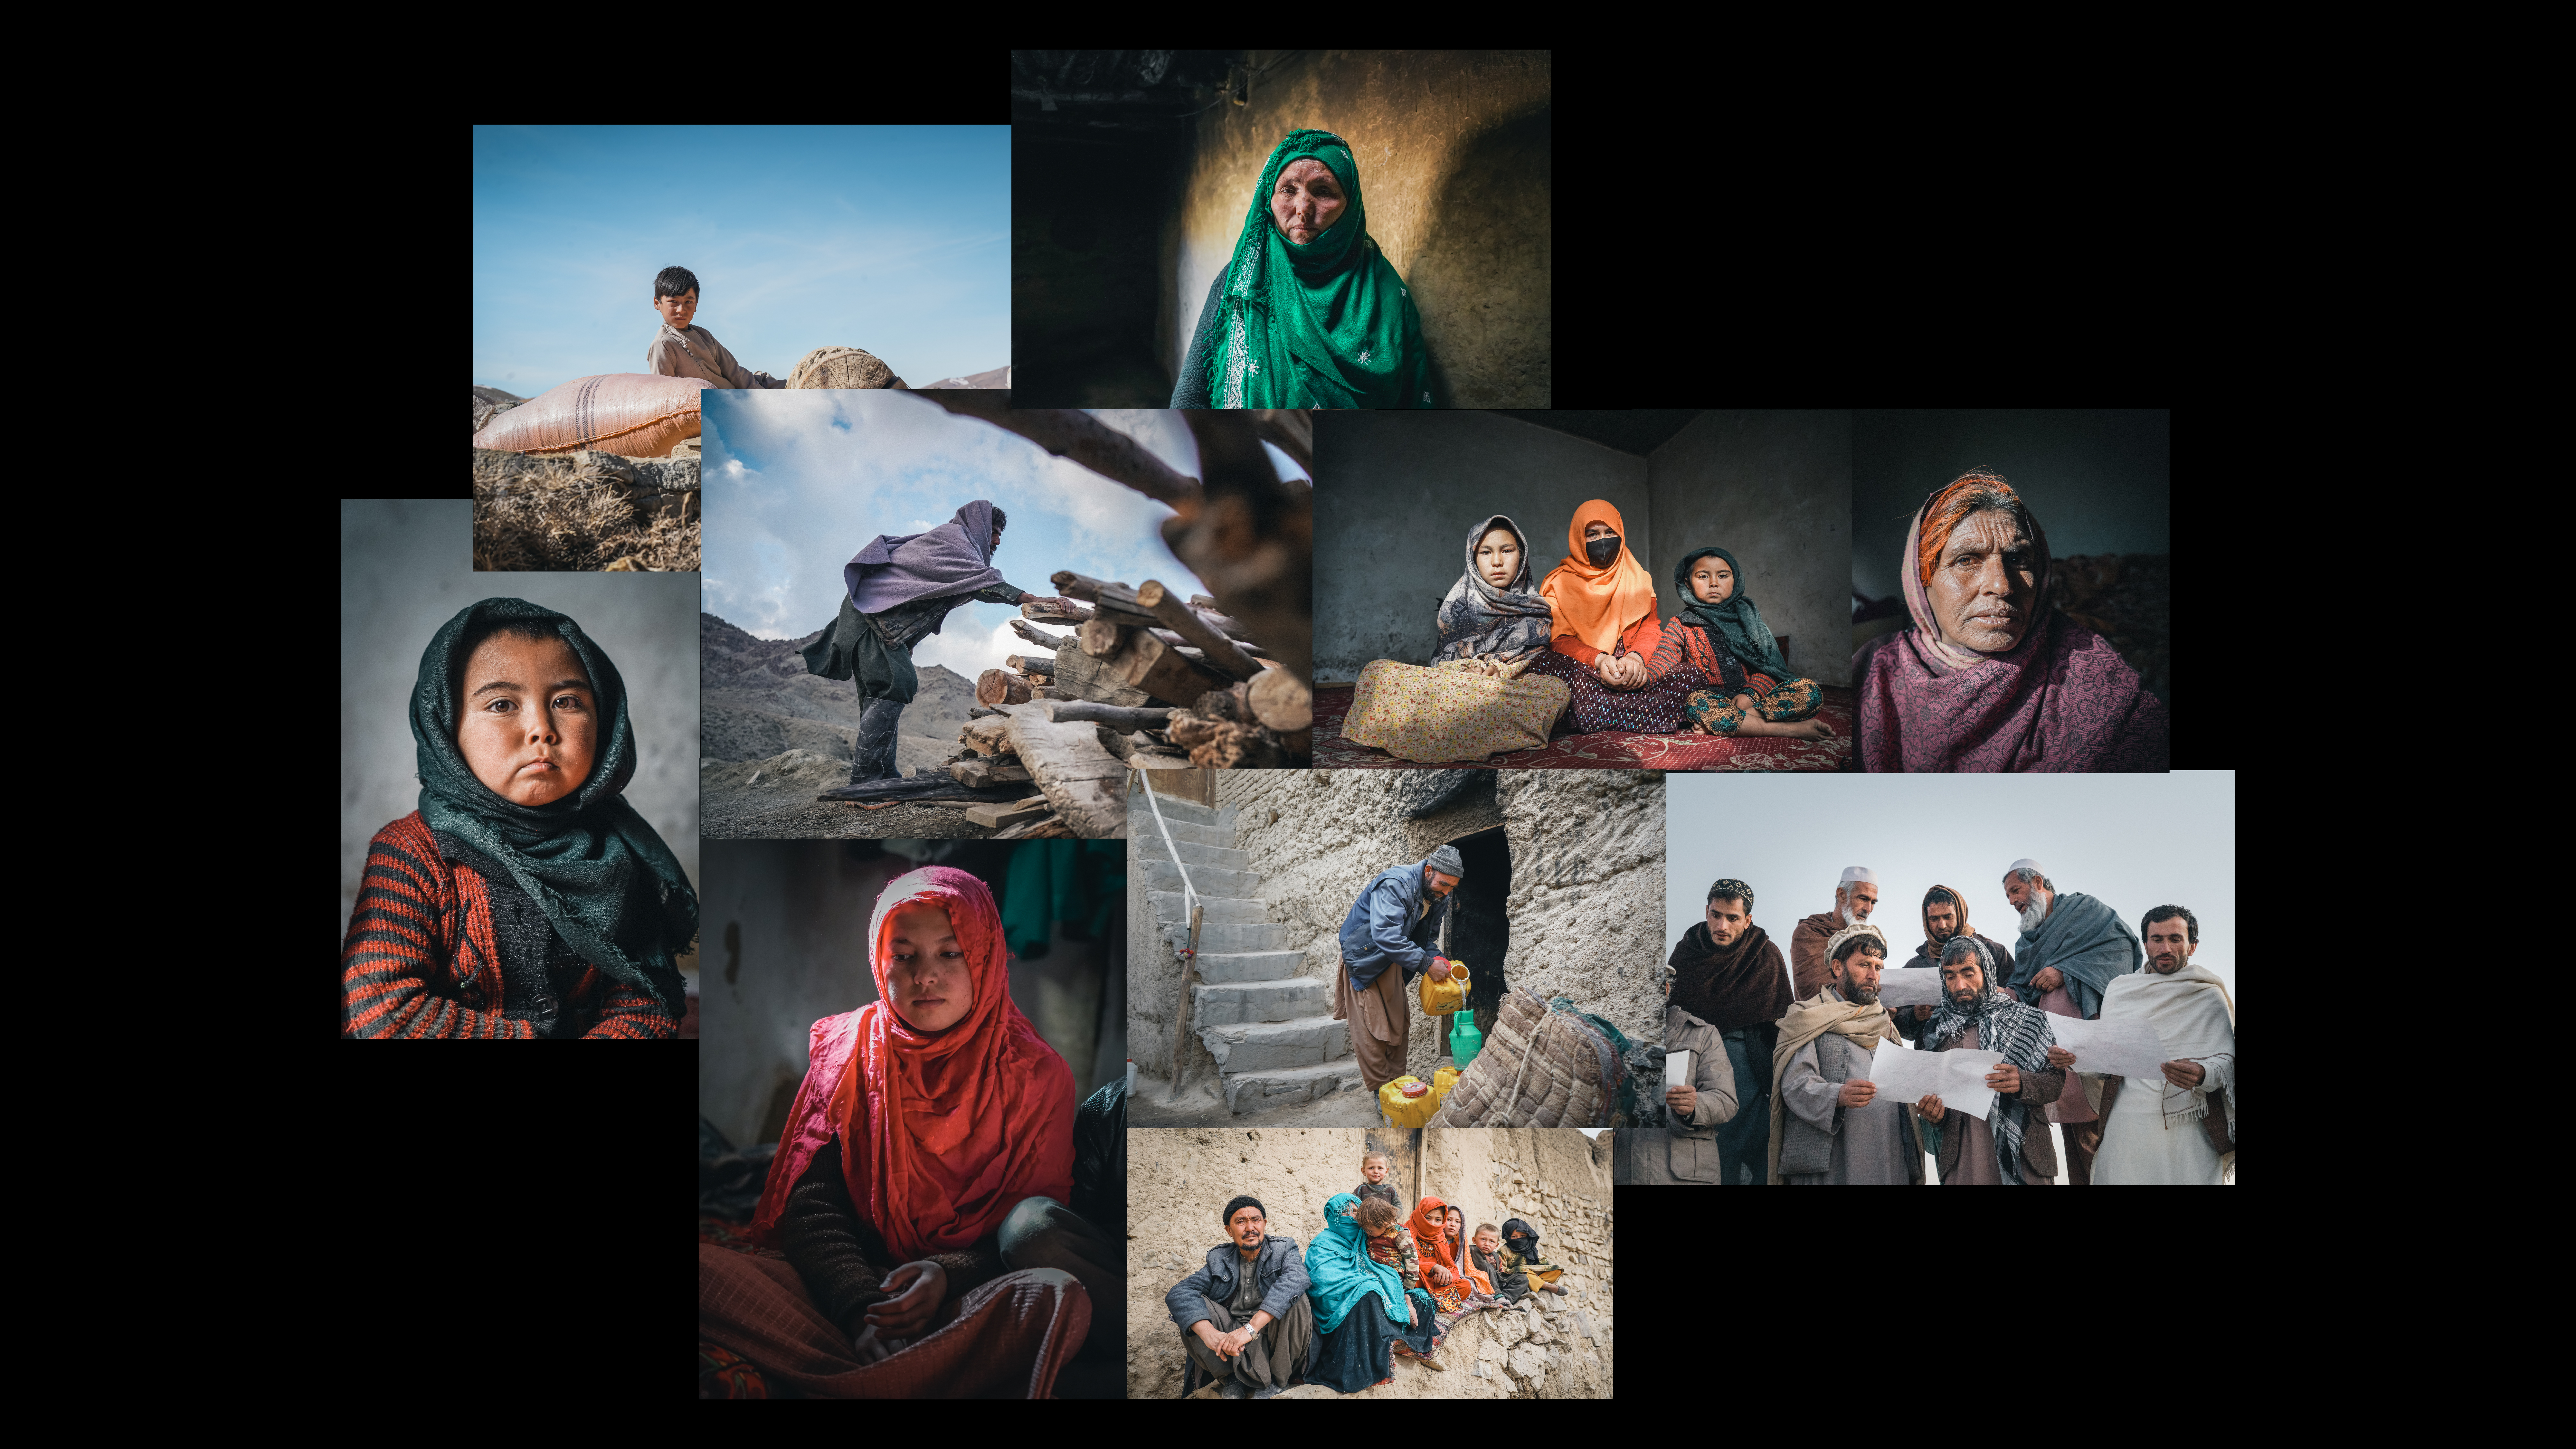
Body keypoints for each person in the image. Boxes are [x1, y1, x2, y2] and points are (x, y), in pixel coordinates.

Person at [698, 868, 1112, 1397]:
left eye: (950, 952)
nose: (925, 977)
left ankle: (852, 1375)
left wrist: (944, 1276)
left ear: (984, 956)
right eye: (905, 955)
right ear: (879, 960)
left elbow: (1022, 1231)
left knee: (1056, 1297)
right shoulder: (849, 1050)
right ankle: (902, 1373)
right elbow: (814, 1206)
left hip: (965, 1297)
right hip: (849, 1292)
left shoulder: (1038, 1075)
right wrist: (861, 1308)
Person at [341, 598, 690, 1039]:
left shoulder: (618, 851)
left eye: (566, 701)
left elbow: (648, 1004)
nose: (541, 728)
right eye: (503, 705)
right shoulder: (410, 853)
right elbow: (383, 1010)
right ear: (446, 728)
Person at [1853, 471, 2169, 772]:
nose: (2002, 586)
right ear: (1921, 582)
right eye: (1966, 560)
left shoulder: (2094, 676)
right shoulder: (1874, 671)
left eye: (2018, 560)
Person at [799, 502, 1072, 784]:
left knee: (879, 693)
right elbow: (983, 583)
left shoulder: (951, 544)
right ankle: (865, 780)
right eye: (993, 531)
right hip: (869, 625)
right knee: (898, 684)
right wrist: (1034, 599)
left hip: (872, 625)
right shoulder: (952, 542)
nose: (997, 540)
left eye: (1000, 534)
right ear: (977, 526)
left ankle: (880, 775)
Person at [1171, 129, 1430, 409]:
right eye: (1288, 190)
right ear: (1269, 200)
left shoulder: (1390, 295)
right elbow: (1190, 396)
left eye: (1323, 192)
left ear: (1351, 204)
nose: (1303, 209)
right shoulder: (1240, 284)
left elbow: (1417, 408)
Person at [1341, 513, 1571, 762]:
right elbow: (1442, 663)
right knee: (1377, 673)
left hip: (1503, 689)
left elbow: (1533, 660)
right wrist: (1469, 669)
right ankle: (1468, 726)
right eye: (1485, 553)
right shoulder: (1456, 606)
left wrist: (1501, 672)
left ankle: (1444, 725)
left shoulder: (1536, 609)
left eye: (1507, 551)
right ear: (1473, 559)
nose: (1497, 562)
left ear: (1522, 556)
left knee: (1556, 691)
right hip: (1458, 683)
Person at [2054, 906, 2236, 1185]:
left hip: (2190, 1126)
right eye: (2157, 939)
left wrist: (2202, 1074)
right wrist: (2076, 1059)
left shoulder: (2208, 994)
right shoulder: (2120, 990)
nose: (2166, 948)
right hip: (2127, 1121)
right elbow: (2108, 1061)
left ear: (2193, 946)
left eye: (2176, 939)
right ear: (2145, 943)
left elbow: (2228, 1060)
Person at [2003, 859, 2141, 1185]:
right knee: (2075, 1153)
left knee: (2107, 1148)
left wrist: (2064, 971)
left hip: (2094, 1058)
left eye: (2015, 891)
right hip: (2052, 1061)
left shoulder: (2086, 910)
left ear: (2037, 882)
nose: (2011, 901)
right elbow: (2022, 988)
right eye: (2007, 896)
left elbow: (2121, 950)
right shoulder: (2025, 943)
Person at [1525, 501, 1701, 734]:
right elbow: (1559, 640)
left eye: (1610, 532)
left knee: (1693, 673)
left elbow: (1650, 630)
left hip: (1632, 668)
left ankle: (1593, 714)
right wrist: (1599, 660)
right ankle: (1645, 713)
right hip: (1589, 669)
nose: (1603, 541)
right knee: (1542, 664)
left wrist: (1636, 660)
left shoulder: (1638, 578)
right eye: (1592, 534)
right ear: (1579, 538)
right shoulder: (1558, 584)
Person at [1770, 923, 1921, 1185]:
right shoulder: (1808, 1017)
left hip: (1890, 1157)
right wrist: (1837, 1095)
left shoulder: (1885, 1024)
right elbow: (1795, 1085)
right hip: (1833, 1165)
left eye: (1878, 967)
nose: (1873, 975)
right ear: (1838, 967)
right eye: (1864, 965)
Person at [1663, 878, 1791, 1183]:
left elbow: (1784, 1023)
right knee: (1711, 1163)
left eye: (1732, 918)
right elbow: (1672, 1015)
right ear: (1707, 911)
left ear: (1747, 921)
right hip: (1697, 1072)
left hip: (1754, 1072)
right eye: (1716, 915)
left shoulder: (1765, 955)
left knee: (1762, 1163)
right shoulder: (1688, 951)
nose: (1722, 925)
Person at [1913, 937, 2066, 1185]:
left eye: (1968, 973)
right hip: (1964, 1157)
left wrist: (2022, 1082)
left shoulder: (2028, 1020)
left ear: (1987, 972)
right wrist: (1934, 1116)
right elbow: (1932, 1096)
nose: (1959, 985)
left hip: (2025, 1154)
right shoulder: (1935, 1032)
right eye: (1950, 976)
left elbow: (2055, 1082)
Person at [1658, 546, 1832, 742]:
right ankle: (1788, 729)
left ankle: (1732, 724)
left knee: (1810, 691)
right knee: (1696, 704)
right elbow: (1663, 659)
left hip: (1755, 699)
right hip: (1713, 700)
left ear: (1736, 580)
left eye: (1723, 576)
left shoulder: (1748, 619)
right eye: (1703, 577)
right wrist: (1642, 676)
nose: (1714, 583)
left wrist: (1750, 695)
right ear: (1688, 585)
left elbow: (1769, 668)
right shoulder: (1681, 623)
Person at [1620, 928, 1744, 1184]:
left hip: (1686, 1177)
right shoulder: (1615, 1041)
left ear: (1666, 990)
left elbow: (1726, 1101)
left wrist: (1694, 1105)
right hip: (1626, 1174)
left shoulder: (1704, 1035)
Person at [1333, 847, 1463, 1092]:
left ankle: (1397, 1089)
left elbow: (1426, 942)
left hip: (1393, 962)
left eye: (1452, 888)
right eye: (1444, 884)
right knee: (1372, 1032)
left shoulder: (1439, 897)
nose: (1447, 892)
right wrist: (1426, 965)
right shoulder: (1396, 884)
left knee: (1399, 1027)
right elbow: (1386, 936)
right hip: (1364, 960)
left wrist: (1441, 963)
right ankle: (1382, 1093)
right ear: (1428, 871)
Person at [1168, 1195, 1316, 1399]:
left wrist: (1250, 1329)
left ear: (1264, 1224)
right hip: (1232, 1341)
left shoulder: (1283, 1249)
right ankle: (1232, 1378)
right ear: (1229, 1230)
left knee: (1296, 1298)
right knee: (1190, 1309)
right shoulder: (1219, 1258)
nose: (1250, 1228)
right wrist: (1211, 1334)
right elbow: (1180, 1293)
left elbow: (1298, 1278)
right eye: (1241, 1222)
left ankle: (1277, 1380)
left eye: (1256, 1220)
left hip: (1274, 1337)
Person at [1305, 1193, 1443, 1392]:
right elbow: (1323, 1280)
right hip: (1342, 1302)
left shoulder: (1366, 1235)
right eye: (1347, 1214)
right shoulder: (1322, 1244)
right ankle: (1363, 1358)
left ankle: (1394, 1334)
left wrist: (1381, 1280)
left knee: (1422, 1300)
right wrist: (1364, 1283)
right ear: (1333, 1217)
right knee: (1368, 1294)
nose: (1353, 1219)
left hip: (1376, 1286)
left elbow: (1386, 1263)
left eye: (1356, 1213)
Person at [1899, 885, 2018, 1042]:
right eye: (1934, 919)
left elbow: (2019, 1000)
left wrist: (1990, 994)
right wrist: (1916, 1017)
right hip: (1935, 1058)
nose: (1942, 925)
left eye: (1948, 917)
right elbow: (1901, 1027)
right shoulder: (1915, 967)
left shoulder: (1993, 952)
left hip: (1990, 1048)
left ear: (1960, 915)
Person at [643, 265, 786, 390]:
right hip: (716, 405)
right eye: (673, 302)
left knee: (786, 386)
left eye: (688, 302)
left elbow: (734, 371)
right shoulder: (663, 345)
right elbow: (664, 393)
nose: (681, 310)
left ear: (696, 305)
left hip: (740, 392)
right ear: (657, 303)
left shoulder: (704, 335)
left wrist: (759, 396)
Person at [1790, 867, 1880, 1001]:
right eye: (1863, 899)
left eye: (1873, 902)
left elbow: (1877, 984)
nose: (1868, 909)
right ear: (1842, 895)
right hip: (1822, 1019)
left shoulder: (1869, 939)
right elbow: (1816, 989)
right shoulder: (1810, 932)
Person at [1408, 1196, 1478, 1316]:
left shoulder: (1441, 1239)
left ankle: (1423, 1299)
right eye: (1428, 1218)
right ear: (1420, 1216)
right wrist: (1434, 1268)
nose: (1432, 1224)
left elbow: (1452, 1268)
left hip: (1436, 1282)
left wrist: (1446, 1276)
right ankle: (1431, 1299)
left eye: (1438, 1220)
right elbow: (1406, 1261)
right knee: (1409, 1276)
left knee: (1466, 1286)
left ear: (1443, 1221)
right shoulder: (1407, 1232)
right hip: (1418, 1278)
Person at [1497, 1219, 1567, 1295]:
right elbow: (1501, 1270)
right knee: (1522, 1271)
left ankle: (1533, 1285)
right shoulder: (1504, 1250)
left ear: (1528, 1235)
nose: (1519, 1239)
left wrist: (1533, 1272)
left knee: (1557, 1270)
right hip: (1517, 1279)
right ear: (1509, 1238)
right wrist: (1519, 1270)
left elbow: (1544, 1262)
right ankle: (1546, 1286)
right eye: (1514, 1237)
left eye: (1523, 1236)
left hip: (1534, 1276)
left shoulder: (1532, 1249)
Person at [1443, 1206, 1496, 1298]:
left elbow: (1464, 1268)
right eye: (1449, 1220)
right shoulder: (1435, 1241)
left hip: (1455, 1277)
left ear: (1462, 1225)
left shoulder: (1460, 1245)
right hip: (1439, 1276)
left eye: (1458, 1222)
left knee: (1476, 1279)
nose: (1453, 1224)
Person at [1468, 1222, 1522, 1303]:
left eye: (1492, 1242)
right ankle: (1498, 1296)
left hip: (1497, 1282)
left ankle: (1506, 1298)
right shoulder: (1469, 1251)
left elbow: (1501, 1273)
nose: (1487, 1244)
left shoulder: (1496, 1256)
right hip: (1481, 1282)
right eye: (1483, 1239)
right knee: (1487, 1267)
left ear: (1496, 1246)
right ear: (1474, 1240)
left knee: (1522, 1278)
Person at [1352, 1148, 1402, 1213]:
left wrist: (1391, 1218)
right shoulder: (1361, 1189)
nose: (1376, 1171)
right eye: (1371, 1168)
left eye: (1380, 1168)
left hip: (1387, 1222)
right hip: (1366, 1222)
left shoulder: (1391, 1190)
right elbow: (1353, 1206)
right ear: (1364, 1171)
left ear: (1386, 1172)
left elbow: (1399, 1207)